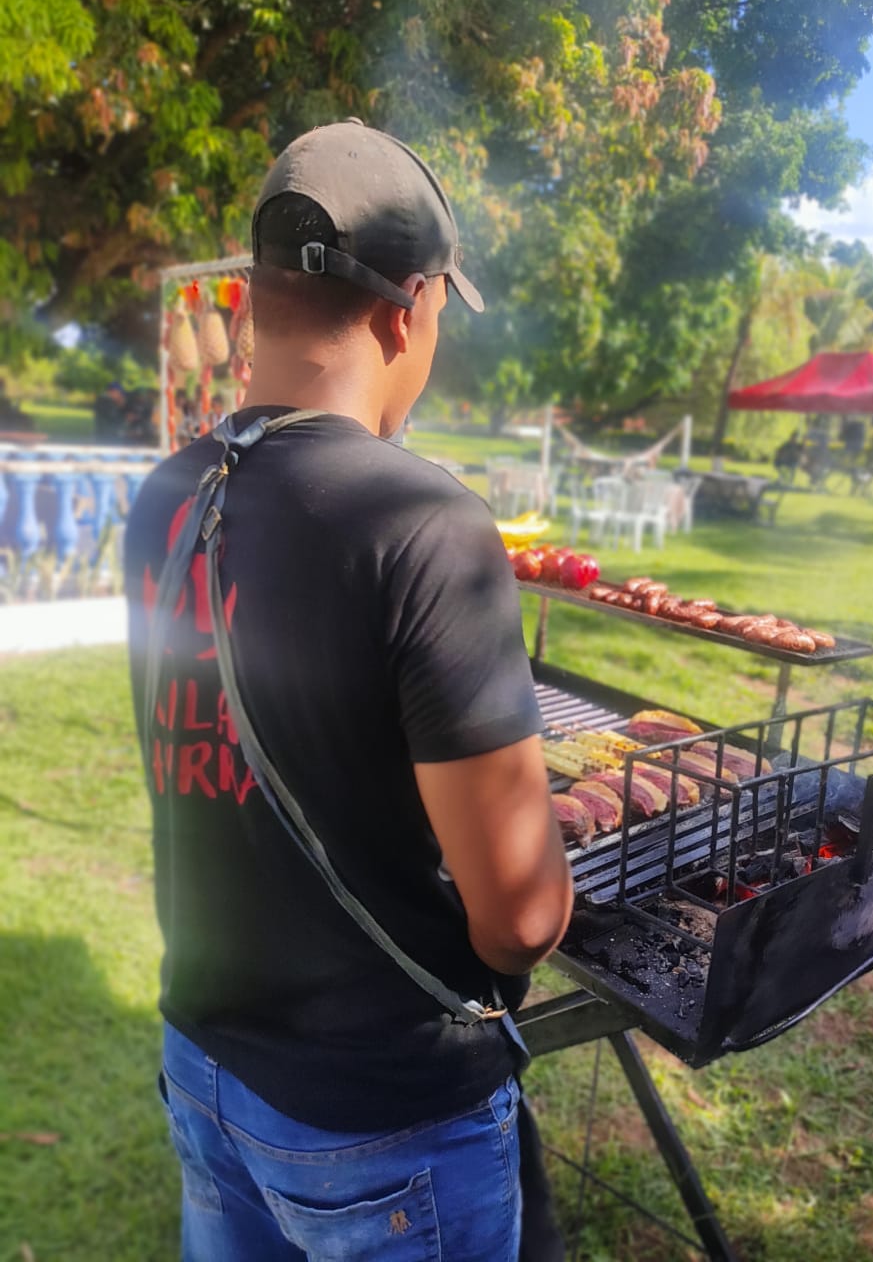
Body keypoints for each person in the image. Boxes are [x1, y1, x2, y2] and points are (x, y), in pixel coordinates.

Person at [124, 120, 573, 1262]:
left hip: (208, 1066)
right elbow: (518, 919)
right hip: (381, 1118)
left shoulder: (163, 497)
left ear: (261, 298)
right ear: (406, 310)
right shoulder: (425, 525)